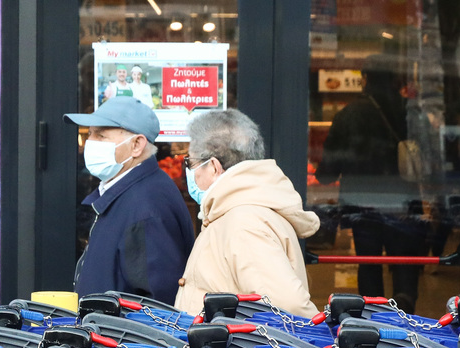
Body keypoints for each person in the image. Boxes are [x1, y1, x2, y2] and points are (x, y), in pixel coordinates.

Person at [174, 108, 320, 317]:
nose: (189, 172)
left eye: (191, 163)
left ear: (214, 167)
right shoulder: (237, 210)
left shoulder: (242, 221)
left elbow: (290, 308)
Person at [318, 53, 430, 312]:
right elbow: (431, 159)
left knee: (368, 262)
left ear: (365, 79)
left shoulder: (348, 115)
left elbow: (327, 173)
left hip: (362, 204)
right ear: (394, 79)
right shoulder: (410, 113)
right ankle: (405, 309)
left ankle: (374, 316)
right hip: (402, 201)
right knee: (404, 260)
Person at [64, 96, 194, 304]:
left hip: (119, 336)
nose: (90, 143)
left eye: (101, 135)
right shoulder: (127, 192)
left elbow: (157, 306)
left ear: (136, 145)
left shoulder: (148, 207)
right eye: (90, 134)